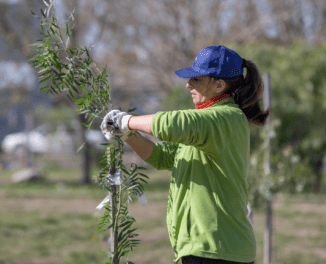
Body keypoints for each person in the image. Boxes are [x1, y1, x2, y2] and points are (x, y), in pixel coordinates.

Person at [101, 45, 269, 264]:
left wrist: (126, 121)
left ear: (219, 85)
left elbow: (170, 124)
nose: (188, 84)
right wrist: (126, 134)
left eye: (197, 79)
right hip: (209, 249)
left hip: (218, 250)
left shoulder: (226, 118)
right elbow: (160, 156)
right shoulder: (206, 124)